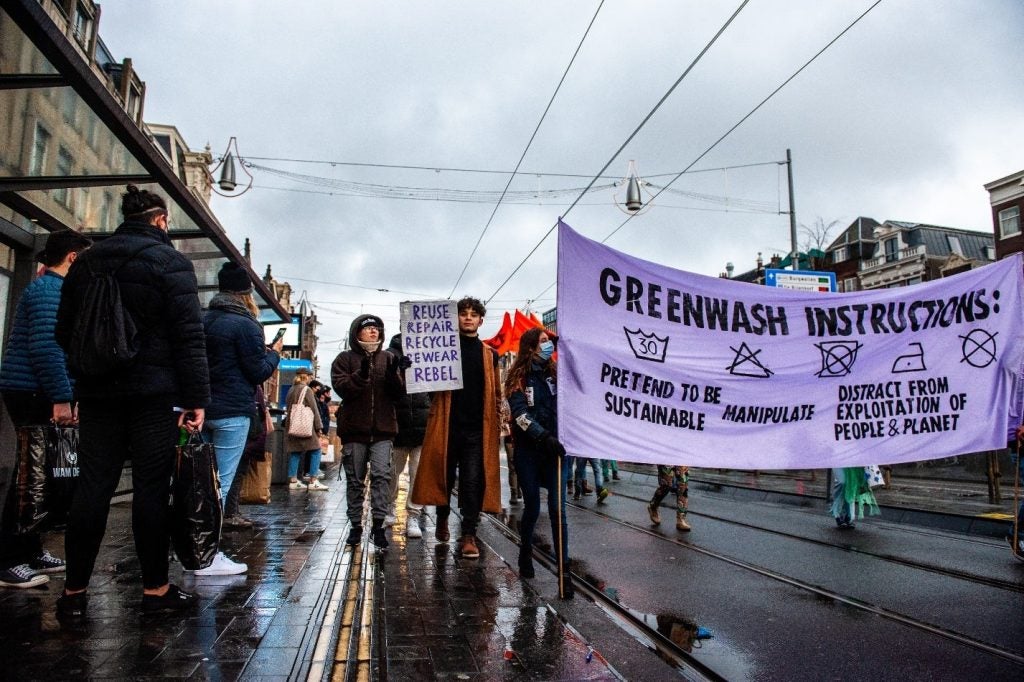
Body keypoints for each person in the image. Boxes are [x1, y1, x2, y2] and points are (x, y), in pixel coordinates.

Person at [54, 185, 210, 617]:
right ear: (160, 220)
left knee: (92, 487)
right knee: (151, 489)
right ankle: (155, 590)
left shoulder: (86, 263)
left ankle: (73, 594)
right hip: (153, 395)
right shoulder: (171, 263)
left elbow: (64, 331)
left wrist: (89, 371)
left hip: (98, 392)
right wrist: (195, 398)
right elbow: (188, 337)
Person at [0, 229, 91, 589]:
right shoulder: (50, 291)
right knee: (29, 476)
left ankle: (30, 548)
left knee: (39, 474)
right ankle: (8, 559)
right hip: (32, 392)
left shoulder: (54, 289)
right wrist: (62, 397)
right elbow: (47, 350)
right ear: (73, 257)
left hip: (38, 390)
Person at [194, 262, 280, 574]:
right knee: (221, 483)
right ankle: (207, 555)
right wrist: (274, 354)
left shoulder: (204, 319)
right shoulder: (247, 324)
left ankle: (191, 549)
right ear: (246, 292)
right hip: (232, 411)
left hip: (201, 409)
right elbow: (257, 371)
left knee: (199, 482)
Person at [411, 296, 502, 560]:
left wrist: (499, 420)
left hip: (477, 429)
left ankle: (469, 534)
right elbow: (423, 381)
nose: (468, 317)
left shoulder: (490, 355)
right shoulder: (442, 349)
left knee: (473, 481)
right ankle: (442, 516)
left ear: (481, 321)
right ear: (455, 318)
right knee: (444, 476)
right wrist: (411, 366)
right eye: (464, 313)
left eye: (474, 314)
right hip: (447, 426)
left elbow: (496, 393)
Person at [505, 327, 571, 596]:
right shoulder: (518, 379)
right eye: (544, 341)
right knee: (532, 505)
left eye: (550, 341)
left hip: (556, 453)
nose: (548, 345)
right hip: (529, 452)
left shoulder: (558, 373)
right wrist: (543, 436)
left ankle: (564, 570)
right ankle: (525, 550)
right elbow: (520, 416)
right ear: (531, 347)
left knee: (557, 509)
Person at [331, 315, 406, 549]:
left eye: (377, 329)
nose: (374, 332)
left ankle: (378, 526)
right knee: (355, 480)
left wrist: (395, 375)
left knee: (382, 477)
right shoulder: (344, 359)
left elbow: (398, 394)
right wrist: (361, 375)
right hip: (355, 430)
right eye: (368, 328)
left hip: (383, 430)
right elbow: (342, 388)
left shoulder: (388, 358)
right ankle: (356, 525)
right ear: (357, 333)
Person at [386, 333, 429, 538]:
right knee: (391, 473)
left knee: (418, 476)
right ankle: (389, 507)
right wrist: (397, 371)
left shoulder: (430, 354)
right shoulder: (389, 355)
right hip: (397, 428)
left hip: (422, 427)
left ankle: (413, 514)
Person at [223, 384, 273, 528]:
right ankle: (230, 513)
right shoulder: (250, 386)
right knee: (235, 475)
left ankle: (232, 511)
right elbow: (257, 415)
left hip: (242, 433)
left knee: (234, 474)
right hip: (245, 436)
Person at [284, 368, 328, 492]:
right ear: (306, 377)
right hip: (305, 426)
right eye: (310, 377)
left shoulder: (291, 389)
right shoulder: (306, 390)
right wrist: (319, 427)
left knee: (295, 451)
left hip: (293, 425)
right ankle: (313, 480)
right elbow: (314, 409)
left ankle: (293, 481)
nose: (311, 379)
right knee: (316, 450)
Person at [648, 465, 692, 532]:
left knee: (683, 486)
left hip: (682, 459)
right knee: (666, 484)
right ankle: (653, 506)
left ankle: (681, 519)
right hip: (666, 460)